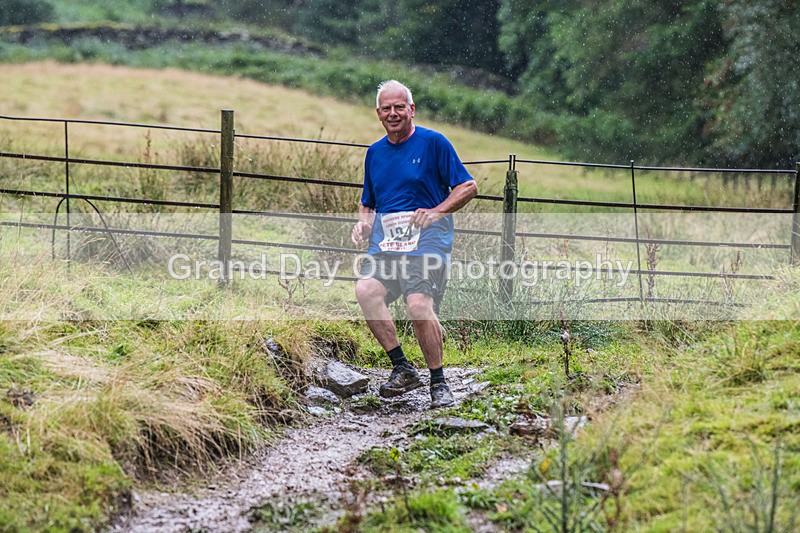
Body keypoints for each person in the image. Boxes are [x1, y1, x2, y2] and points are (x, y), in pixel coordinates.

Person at [351, 80, 478, 408]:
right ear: (378, 113)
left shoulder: (433, 143)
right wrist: (364, 222)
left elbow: (467, 186)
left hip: (427, 243)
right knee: (366, 291)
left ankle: (439, 382)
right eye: (386, 108)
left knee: (418, 306)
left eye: (399, 107)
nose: (393, 113)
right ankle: (403, 368)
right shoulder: (375, 153)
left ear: (411, 109)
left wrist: (436, 212)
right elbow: (368, 201)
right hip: (387, 246)